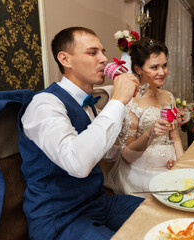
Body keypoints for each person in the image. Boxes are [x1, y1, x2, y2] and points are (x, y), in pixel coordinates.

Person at [18, 27, 144, 240]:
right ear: (65, 59)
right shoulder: (44, 104)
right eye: (93, 52)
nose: (104, 59)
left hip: (96, 203)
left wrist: (139, 136)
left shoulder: (88, 102)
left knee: (158, 214)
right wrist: (117, 102)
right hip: (59, 217)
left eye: (103, 52)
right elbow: (77, 163)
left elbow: (104, 152)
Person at [106, 37, 184, 197]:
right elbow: (127, 155)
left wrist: (179, 164)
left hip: (170, 168)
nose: (162, 72)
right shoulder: (130, 102)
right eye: (154, 67)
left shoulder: (168, 97)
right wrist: (151, 134)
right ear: (138, 69)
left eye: (164, 65)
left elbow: (174, 136)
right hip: (140, 171)